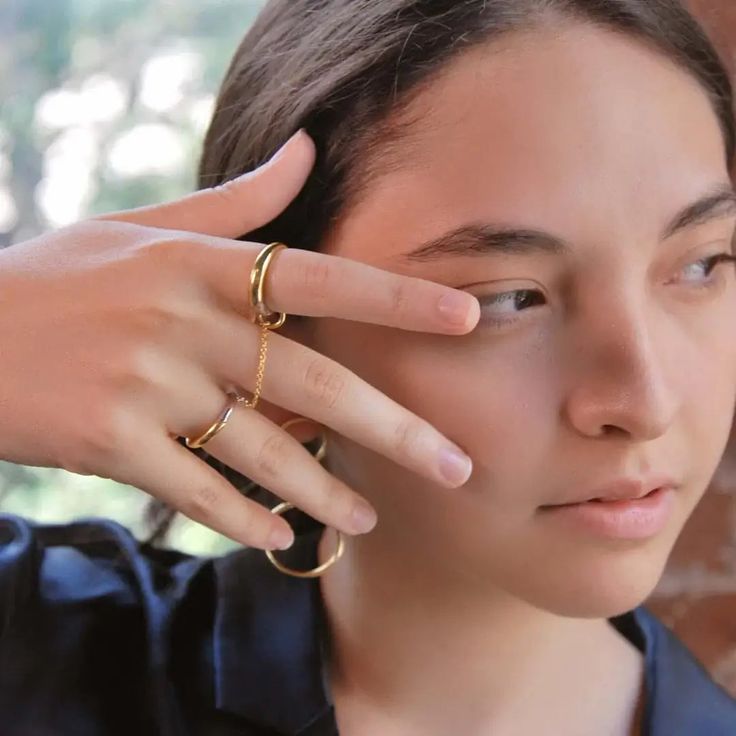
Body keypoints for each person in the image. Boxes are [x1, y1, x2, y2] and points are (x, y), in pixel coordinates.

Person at [2, 0, 736, 733]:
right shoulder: (47, 662)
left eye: (703, 265)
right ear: (273, 328)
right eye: (510, 299)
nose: (646, 402)